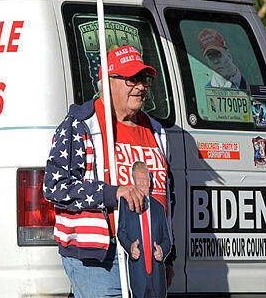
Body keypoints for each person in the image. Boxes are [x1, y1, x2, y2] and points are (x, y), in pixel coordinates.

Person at [43, 45, 174, 298]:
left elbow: (168, 196)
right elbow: (54, 187)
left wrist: (169, 257)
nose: (141, 87)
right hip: (101, 258)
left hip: (148, 256)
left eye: (144, 79)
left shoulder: (157, 131)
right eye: (131, 79)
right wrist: (113, 193)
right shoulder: (80, 125)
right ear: (108, 82)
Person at [117, 161, 171, 298]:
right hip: (138, 275)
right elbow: (121, 232)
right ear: (133, 181)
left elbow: (166, 239)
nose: (142, 183)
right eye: (139, 180)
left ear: (149, 181)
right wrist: (130, 247)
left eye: (145, 179)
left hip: (157, 278)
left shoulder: (159, 208)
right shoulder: (125, 203)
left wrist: (162, 250)